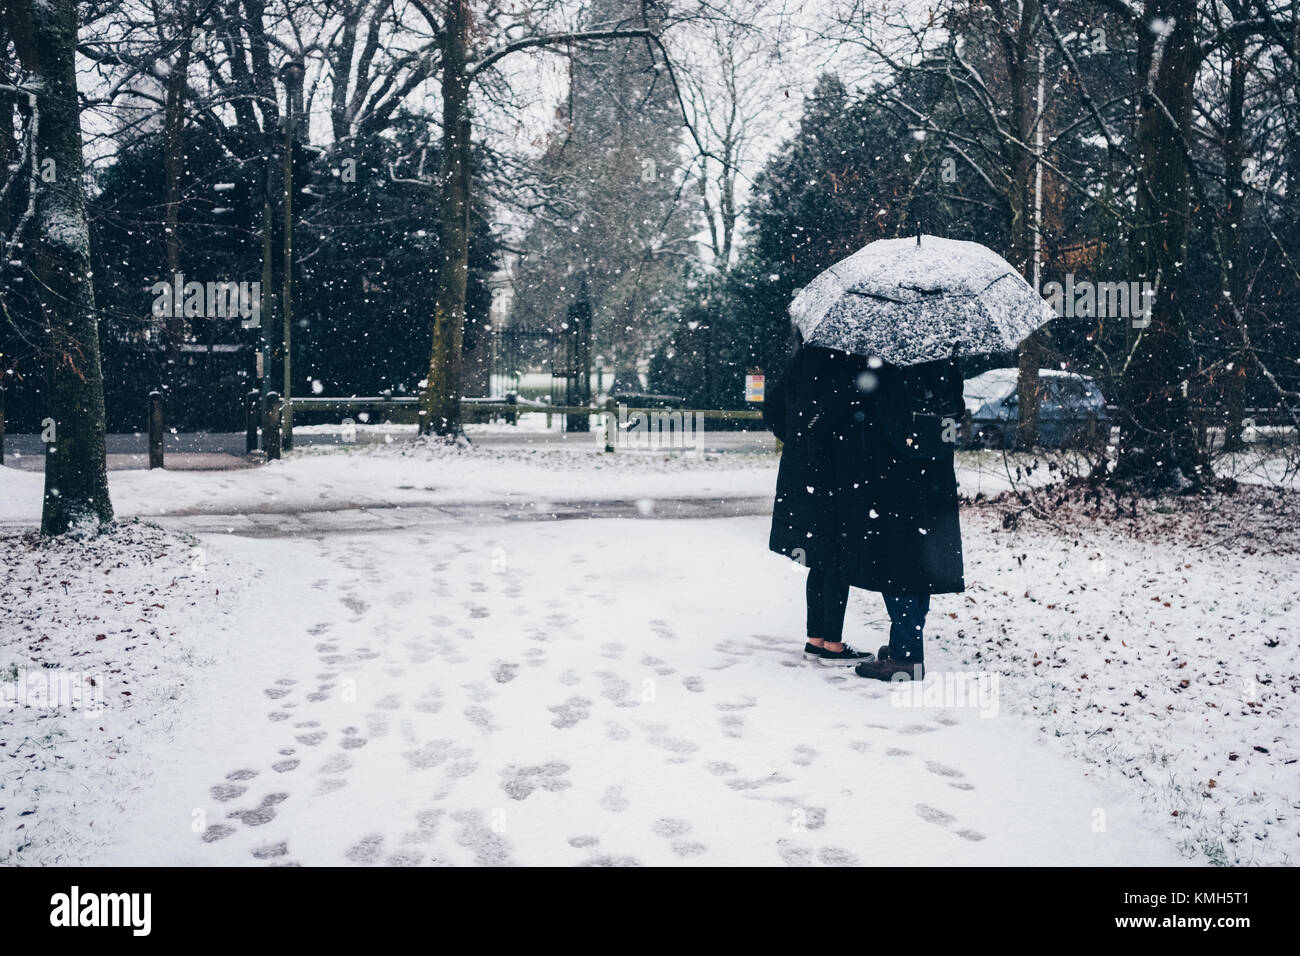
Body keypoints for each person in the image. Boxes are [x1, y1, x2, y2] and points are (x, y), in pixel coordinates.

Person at [765, 332, 965, 680]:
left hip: (896, 474)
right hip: (935, 473)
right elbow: (955, 413)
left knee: (898, 560)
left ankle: (904, 654)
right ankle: (904, 642)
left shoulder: (888, 360)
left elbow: (885, 417)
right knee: (922, 558)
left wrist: (822, 438)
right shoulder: (944, 353)